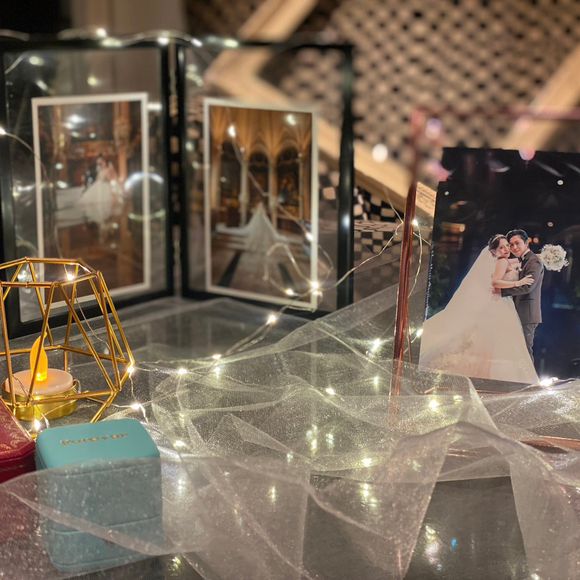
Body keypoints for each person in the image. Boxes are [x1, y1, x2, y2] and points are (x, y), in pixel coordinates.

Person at [419, 234, 539, 384]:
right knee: (499, 340)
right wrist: (518, 282)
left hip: (501, 301)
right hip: (500, 303)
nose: (506, 249)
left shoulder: (502, 261)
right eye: (501, 247)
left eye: (507, 246)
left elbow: (518, 261)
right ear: (493, 251)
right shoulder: (502, 261)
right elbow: (495, 282)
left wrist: (541, 256)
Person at [501, 229, 544, 361]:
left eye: (517, 243)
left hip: (527, 314)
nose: (514, 247)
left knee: (525, 351)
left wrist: (501, 292)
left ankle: (529, 376)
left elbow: (527, 287)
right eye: (511, 245)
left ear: (526, 243)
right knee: (515, 351)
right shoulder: (521, 260)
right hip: (517, 311)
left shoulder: (534, 261)